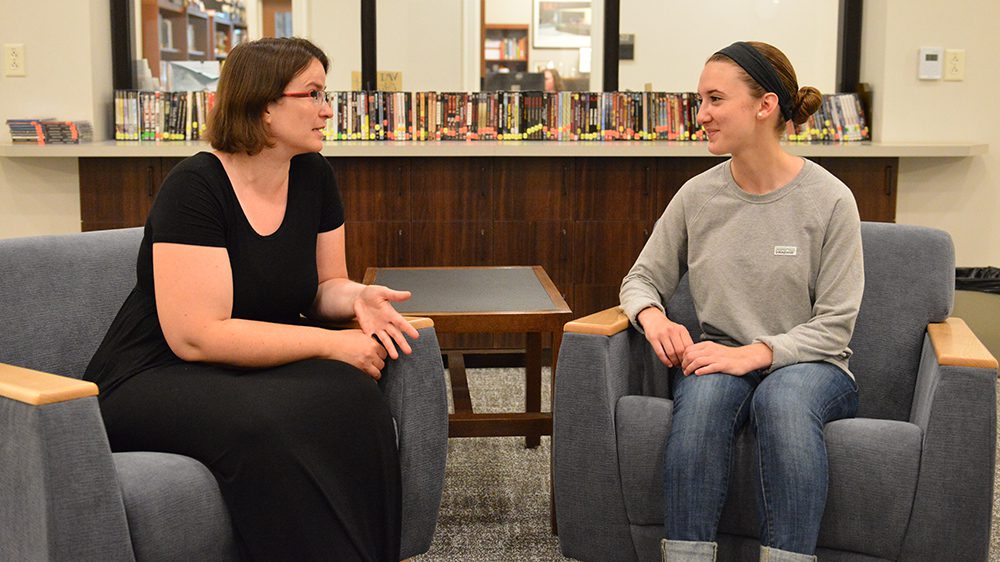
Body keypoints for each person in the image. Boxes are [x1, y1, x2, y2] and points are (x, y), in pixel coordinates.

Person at [84, 37, 419, 561]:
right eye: (313, 94)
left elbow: (322, 287)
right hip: (154, 372)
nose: (328, 109)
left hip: (247, 362)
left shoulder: (314, 174)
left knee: (354, 398)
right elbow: (199, 336)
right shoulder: (196, 186)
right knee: (270, 424)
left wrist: (357, 298)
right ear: (264, 105)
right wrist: (331, 346)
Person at [619, 41, 863, 562]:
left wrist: (754, 354)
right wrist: (652, 315)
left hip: (813, 366)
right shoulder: (696, 196)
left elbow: (836, 325)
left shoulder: (831, 199)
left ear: (764, 105)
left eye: (713, 100)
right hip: (722, 356)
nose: (700, 115)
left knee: (784, 400)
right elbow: (640, 279)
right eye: (699, 100)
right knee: (702, 404)